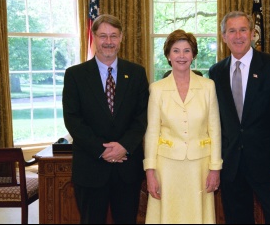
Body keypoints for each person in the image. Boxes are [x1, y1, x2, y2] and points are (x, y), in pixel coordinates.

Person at [209, 11, 270, 224]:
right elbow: (216, 120)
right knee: (236, 218)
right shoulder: (216, 72)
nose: (238, 36)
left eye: (243, 30)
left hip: (268, 163)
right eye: (232, 31)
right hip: (231, 163)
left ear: (252, 33)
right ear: (223, 36)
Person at [62, 14, 149, 224]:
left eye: (113, 36)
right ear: (94, 37)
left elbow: (143, 115)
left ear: (121, 38)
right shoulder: (75, 75)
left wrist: (123, 146)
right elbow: (73, 119)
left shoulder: (136, 73)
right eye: (103, 36)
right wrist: (103, 150)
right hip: (90, 168)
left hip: (127, 168)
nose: (108, 41)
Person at [143, 29, 223, 224]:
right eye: (176, 51)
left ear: (193, 55)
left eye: (186, 51)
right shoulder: (157, 89)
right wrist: (150, 171)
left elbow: (215, 129)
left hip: (200, 166)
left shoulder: (208, 86)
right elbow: (152, 133)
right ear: (168, 55)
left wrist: (215, 168)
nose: (181, 56)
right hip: (167, 167)